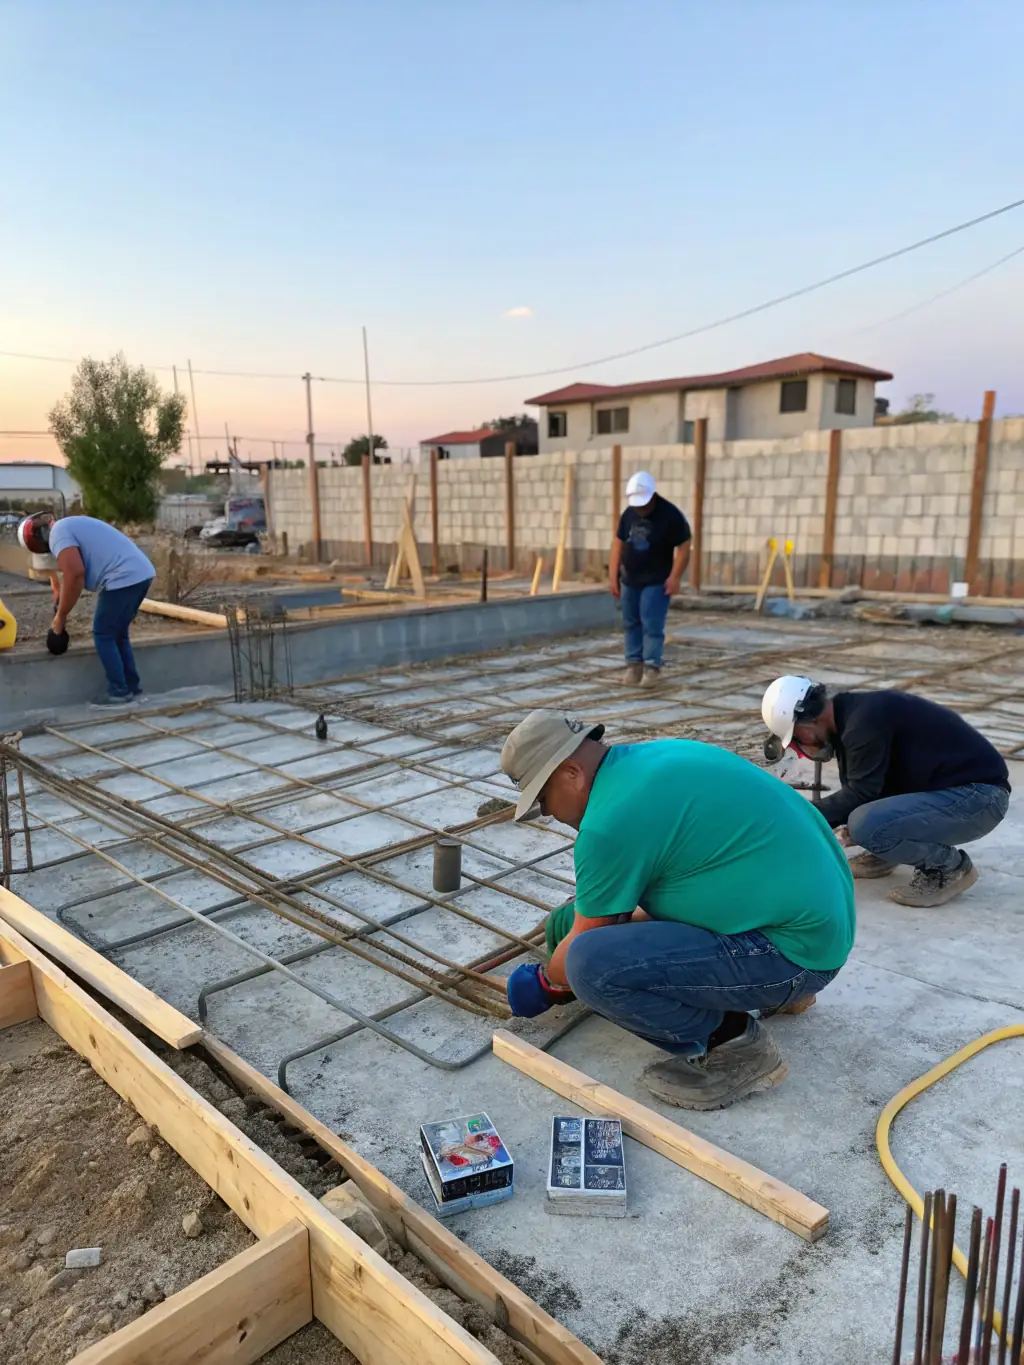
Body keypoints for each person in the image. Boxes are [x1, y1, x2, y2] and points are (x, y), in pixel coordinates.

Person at [499, 711, 854, 1110]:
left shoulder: (608, 825)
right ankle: (779, 993)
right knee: (568, 923)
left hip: (795, 952)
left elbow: (576, 958)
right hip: (820, 923)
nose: (549, 813)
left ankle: (736, 1045)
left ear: (570, 773)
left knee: (588, 964)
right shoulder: (654, 758)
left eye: (544, 800)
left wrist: (547, 982)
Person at [761, 676, 1011, 908]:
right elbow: (864, 790)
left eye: (797, 737)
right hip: (961, 794)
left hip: (979, 799)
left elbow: (860, 795)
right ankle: (886, 848)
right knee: (864, 819)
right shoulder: (852, 717)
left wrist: (798, 818)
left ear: (808, 719)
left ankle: (950, 868)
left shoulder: (863, 722)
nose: (802, 746)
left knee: (866, 823)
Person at [18, 512, 156, 710]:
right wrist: (60, 606)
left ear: (36, 541)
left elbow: (75, 574)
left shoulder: (58, 533)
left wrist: (60, 618)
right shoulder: (68, 527)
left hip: (121, 577)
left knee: (103, 633)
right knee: (118, 635)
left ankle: (119, 692)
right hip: (141, 573)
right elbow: (69, 577)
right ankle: (133, 690)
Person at [609, 471, 690, 687]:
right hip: (630, 579)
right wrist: (613, 575)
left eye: (643, 504)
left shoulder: (670, 515)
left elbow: (684, 546)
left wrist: (675, 576)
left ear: (652, 496)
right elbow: (618, 543)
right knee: (630, 622)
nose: (640, 509)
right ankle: (633, 665)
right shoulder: (628, 515)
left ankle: (652, 667)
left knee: (651, 624)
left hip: (656, 580)